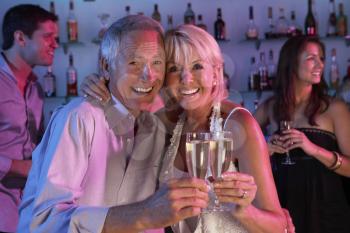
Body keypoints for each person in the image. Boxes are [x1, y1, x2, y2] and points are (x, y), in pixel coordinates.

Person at [82, 25, 288, 233]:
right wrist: (103, 86)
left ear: (216, 73)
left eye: (197, 66)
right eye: (173, 69)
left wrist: (243, 210)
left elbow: (279, 226)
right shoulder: (168, 122)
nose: (186, 79)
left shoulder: (237, 123)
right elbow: (122, 135)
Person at [17, 15, 209, 233]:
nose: (149, 75)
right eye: (134, 63)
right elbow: (45, 222)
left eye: (157, 62)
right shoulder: (80, 118)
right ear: (105, 66)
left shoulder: (155, 128)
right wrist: (145, 214)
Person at [254, 36, 350, 233]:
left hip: (326, 209)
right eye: (311, 58)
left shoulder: (334, 108)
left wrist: (313, 149)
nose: (319, 64)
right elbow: (237, 149)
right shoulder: (270, 107)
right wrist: (264, 147)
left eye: (321, 58)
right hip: (283, 207)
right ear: (291, 62)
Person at [0, 4, 58, 232]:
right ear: (21, 38)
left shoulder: (36, 87)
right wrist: (18, 167)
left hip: (32, 208)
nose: (55, 44)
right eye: (47, 37)